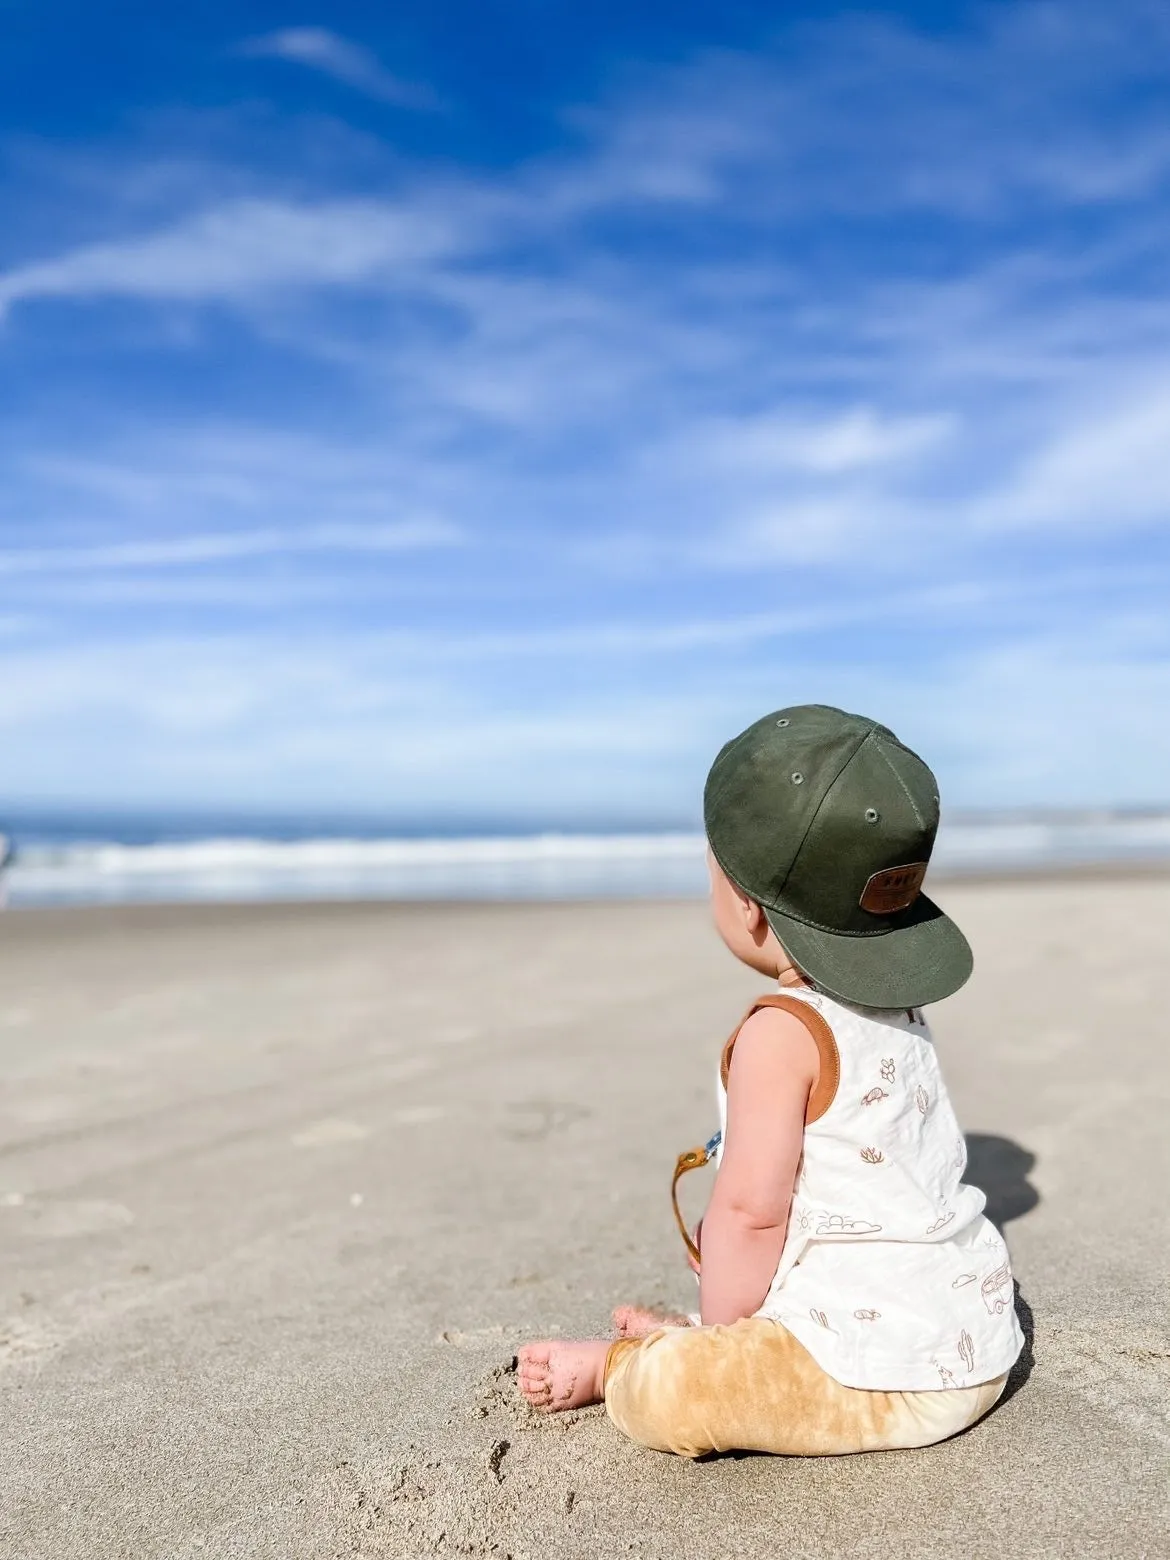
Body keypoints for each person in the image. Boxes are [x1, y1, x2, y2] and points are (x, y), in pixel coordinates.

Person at [518, 704, 1024, 1457]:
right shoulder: (899, 1003)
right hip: (977, 1344)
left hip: (873, 1376)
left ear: (749, 907)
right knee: (750, 1341)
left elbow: (753, 1214)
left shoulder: (778, 1034)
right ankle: (709, 1344)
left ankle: (621, 1366)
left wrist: (720, 1336)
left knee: (683, 1394)